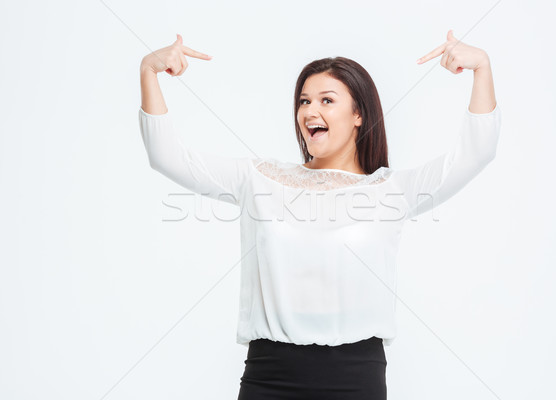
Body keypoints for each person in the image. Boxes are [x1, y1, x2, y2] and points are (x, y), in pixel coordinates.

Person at [138, 30, 500, 400]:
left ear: (359, 114)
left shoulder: (393, 191)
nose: (310, 111)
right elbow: (166, 155)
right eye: (304, 101)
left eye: (327, 100)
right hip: (269, 376)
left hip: (356, 378)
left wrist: (481, 67)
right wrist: (149, 71)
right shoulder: (258, 179)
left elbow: (476, 153)